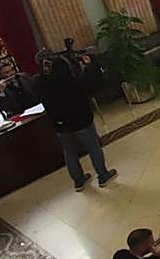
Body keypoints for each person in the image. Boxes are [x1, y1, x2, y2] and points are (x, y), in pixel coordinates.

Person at [33, 50, 116, 191]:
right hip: (80, 119)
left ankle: (78, 181)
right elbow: (90, 84)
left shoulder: (38, 81)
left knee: (69, 152)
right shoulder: (68, 79)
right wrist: (89, 66)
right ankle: (103, 175)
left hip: (59, 123)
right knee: (93, 146)